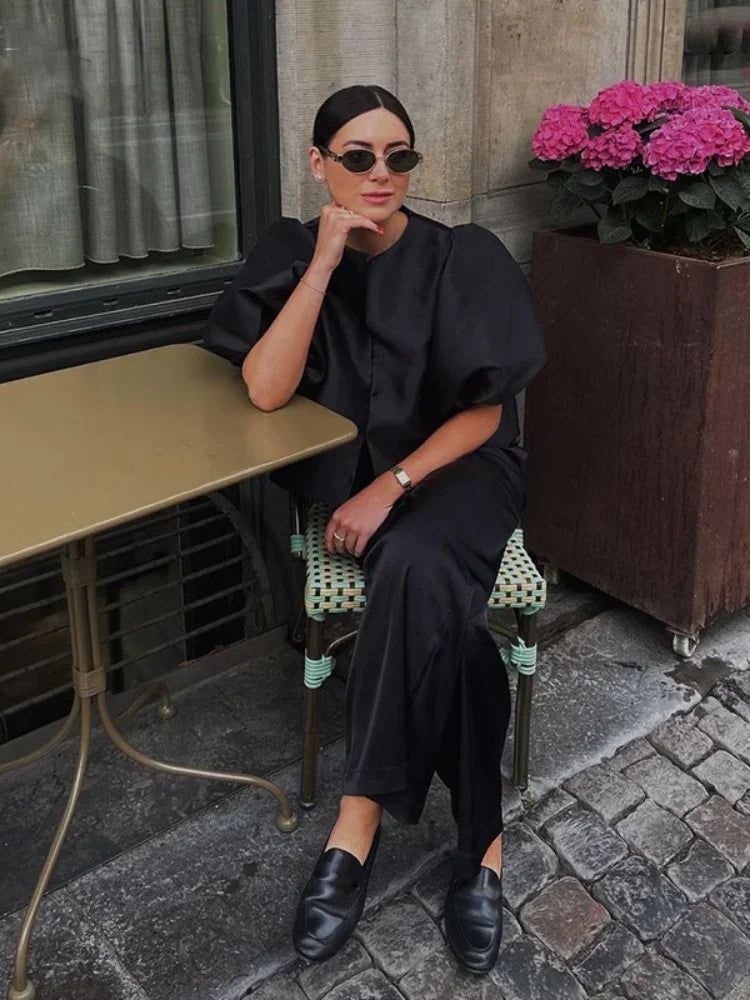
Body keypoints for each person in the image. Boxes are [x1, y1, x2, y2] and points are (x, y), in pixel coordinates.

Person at [203, 84, 546, 973]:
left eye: (400, 156)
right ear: (318, 163)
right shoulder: (287, 251)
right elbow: (266, 389)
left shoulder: (461, 256)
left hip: (457, 473)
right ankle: (482, 849)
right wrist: (321, 264)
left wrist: (393, 484)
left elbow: (489, 413)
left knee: (422, 559)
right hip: (360, 481)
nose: (381, 174)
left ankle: (353, 830)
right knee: (446, 613)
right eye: (357, 156)